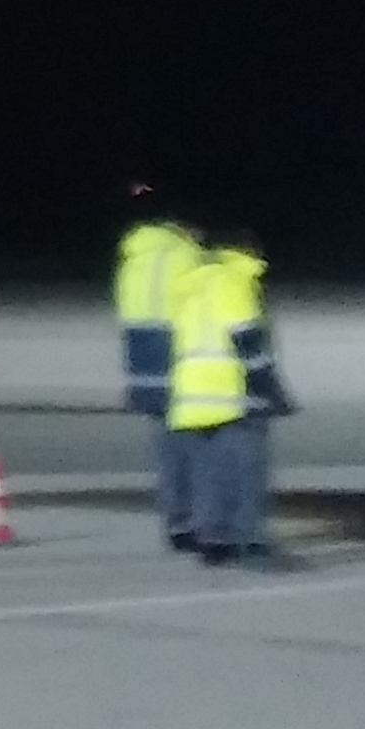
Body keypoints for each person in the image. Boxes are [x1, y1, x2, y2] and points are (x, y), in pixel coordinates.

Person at [165, 231, 288, 567]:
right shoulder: (234, 281)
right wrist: (272, 390)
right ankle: (248, 538)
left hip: (189, 393)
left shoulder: (188, 283)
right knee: (244, 470)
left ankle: (212, 539)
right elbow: (247, 338)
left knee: (206, 471)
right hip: (229, 393)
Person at [116, 208, 206, 550]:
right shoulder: (188, 256)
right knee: (198, 451)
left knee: (168, 451)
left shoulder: (135, 257)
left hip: (145, 368)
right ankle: (199, 522)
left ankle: (177, 524)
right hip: (183, 364)